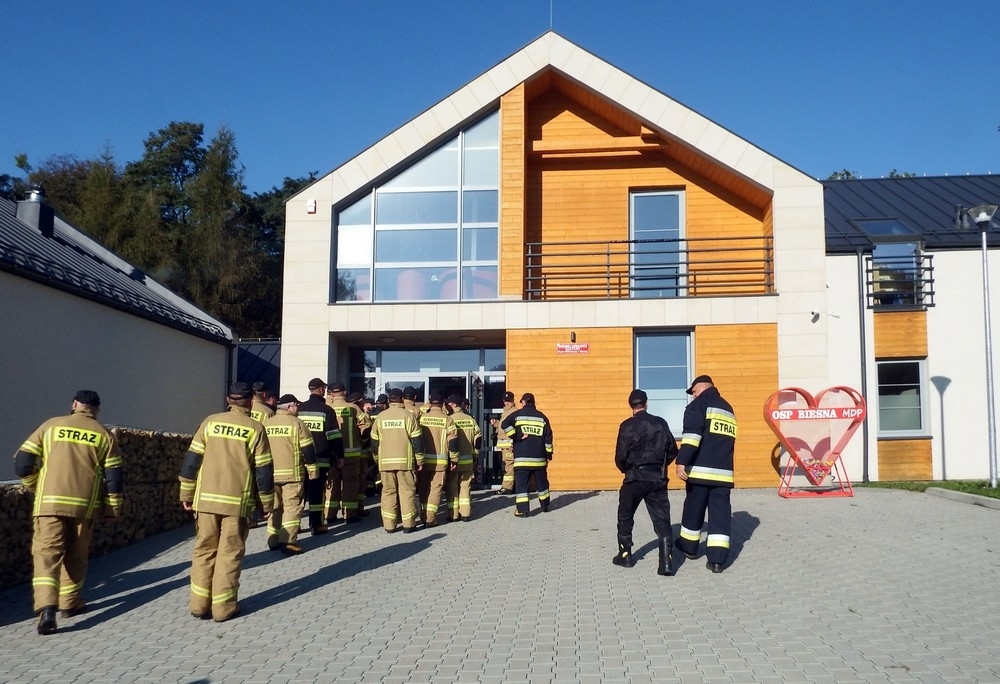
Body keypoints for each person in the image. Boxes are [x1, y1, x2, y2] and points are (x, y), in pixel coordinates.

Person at [14, 389, 124, 635]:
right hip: (84, 507)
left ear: (74, 404)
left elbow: (23, 463)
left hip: (49, 505)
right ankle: (70, 603)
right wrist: (112, 508)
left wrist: (35, 485)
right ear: (97, 410)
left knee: (47, 556)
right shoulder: (104, 435)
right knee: (76, 555)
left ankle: (47, 609)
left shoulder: (51, 426)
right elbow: (114, 477)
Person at [179, 382, 274, 621]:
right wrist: (267, 504)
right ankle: (223, 609)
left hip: (206, 501)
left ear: (228, 400)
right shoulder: (256, 429)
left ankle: (199, 605)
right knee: (229, 554)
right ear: (251, 402)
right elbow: (263, 471)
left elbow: (191, 461)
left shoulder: (210, 422)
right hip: (236, 503)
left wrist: (186, 494)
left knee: (204, 551)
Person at [674, 375, 738, 574]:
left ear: (702, 388)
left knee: (694, 510)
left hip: (701, 472)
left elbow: (692, 437)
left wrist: (681, 461)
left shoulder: (698, 405)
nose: (693, 396)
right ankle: (717, 560)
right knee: (720, 516)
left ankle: (689, 547)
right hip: (723, 474)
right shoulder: (728, 408)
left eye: (693, 392)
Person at [612, 389, 678, 575]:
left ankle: (625, 555)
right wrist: (660, 466)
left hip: (634, 477)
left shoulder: (626, 426)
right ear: (646, 403)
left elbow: (620, 456)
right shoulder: (660, 423)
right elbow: (673, 450)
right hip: (657, 478)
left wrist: (626, 469)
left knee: (625, 516)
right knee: (661, 519)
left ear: (631, 405)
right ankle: (666, 562)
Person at [264, 394, 318, 554]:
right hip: (292, 475)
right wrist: (313, 472)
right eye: (296, 405)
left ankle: (272, 540)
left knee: (275, 507)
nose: (298, 408)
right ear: (289, 407)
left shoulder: (266, 424)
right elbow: (308, 450)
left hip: (270, 474)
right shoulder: (297, 424)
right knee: (292, 507)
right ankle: (287, 542)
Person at [371, 388, 424, 533]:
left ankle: (389, 525)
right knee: (407, 492)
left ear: (389, 400)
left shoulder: (380, 417)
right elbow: (417, 441)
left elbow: (374, 442)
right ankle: (409, 524)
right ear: (402, 400)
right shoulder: (408, 416)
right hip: (405, 462)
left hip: (385, 462)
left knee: (388, 492)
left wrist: (377, 459)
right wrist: (420, 460)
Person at [298, 378, 344, 535]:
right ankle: (316, 525)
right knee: (317, 493)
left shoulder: (299, 409)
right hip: (321, 459)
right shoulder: (326, 410)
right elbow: (333, 436)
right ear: (320, 389)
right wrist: (339, 456)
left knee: (299, 494)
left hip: (302, 460)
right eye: (323, 388)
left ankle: (294, 526)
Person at [501, 392, 553, 517]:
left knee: (522, 487)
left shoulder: (517, 415)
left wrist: (516, 436)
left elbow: (504, 424)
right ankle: (545, 506)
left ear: (523, 402)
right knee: (542, 484)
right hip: (539, 459)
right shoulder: (542, 417)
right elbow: (548, 438)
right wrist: (548, 454)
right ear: (533, 402)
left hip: (522, 459)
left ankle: (523, 511)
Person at [326, 382, 371, 523]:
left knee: (332, 484)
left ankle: (329, 514)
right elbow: (366, 426)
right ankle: (349, 514)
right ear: (345, 393)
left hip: (332, 454)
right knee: (350, 484)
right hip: (351, 454)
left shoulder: (327, 408)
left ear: (332, 394)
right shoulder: (353, 408)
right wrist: (360, 439)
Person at [418, 393, 458, 526]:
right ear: (443, 404)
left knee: (423, 489)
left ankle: (423, 515)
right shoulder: (447, 420)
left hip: (423, 461)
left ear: (430, 403)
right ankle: (430, 518)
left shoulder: (421, 418)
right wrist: (454, 459)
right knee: (436, 489)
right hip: (440, 462)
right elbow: (453, 442)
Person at [446, 394, 482, 522]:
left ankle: (454, 515)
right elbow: (478, 438)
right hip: (468, 460)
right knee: (465, 487)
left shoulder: (449, 419)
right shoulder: (470, 419)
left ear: (454, 405)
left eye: (449, 404)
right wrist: (475, 454)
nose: (447, 405)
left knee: (452, 487)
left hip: (453, 461)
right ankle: (466, 513)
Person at [490, 391, 517, 493]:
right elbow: (503, 427)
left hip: (510, 445)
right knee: (506, 465)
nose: (506, 403)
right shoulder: (505, 412)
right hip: (504, 445)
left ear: (513, 400)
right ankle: (507, 486)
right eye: (505, 401)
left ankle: (507, 488)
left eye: (508, 401)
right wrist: (496, 423)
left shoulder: (514, 412)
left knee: (509, 466)